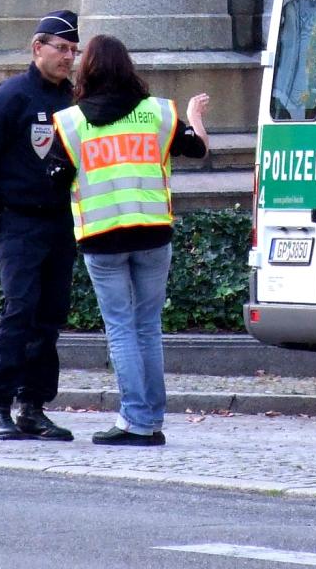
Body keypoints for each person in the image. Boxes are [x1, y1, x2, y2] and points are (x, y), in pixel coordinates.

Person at [52, 35, 209, 446]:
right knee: (148, 327)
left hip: (102, 238)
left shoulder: (70, 121)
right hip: (154, 233)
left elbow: (52, 178)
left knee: (121, 328)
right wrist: (194, 116)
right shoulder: (159, 113)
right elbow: (198, 149)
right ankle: (151, 420)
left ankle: (136, 421)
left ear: (85, 70)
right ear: (128, 68)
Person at [0, 11, 79, 441]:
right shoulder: (12, 96)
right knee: (20, 310)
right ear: (37, 47)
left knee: (50, 316)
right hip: (20, 222)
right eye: (61, 48)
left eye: (73, 51)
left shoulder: (73, 100)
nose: (68, 57)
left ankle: (32, 405)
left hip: (60, 222)